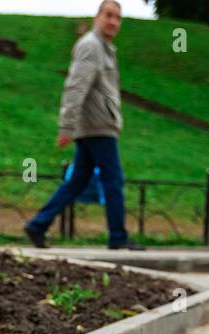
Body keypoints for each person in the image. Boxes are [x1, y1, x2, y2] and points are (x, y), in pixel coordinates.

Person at [24, 0, 143, 251]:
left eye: (118, 18)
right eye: (108, 15)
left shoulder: (105, 48)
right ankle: (118, 237)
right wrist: (66, 126)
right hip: (97, 126)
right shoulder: (91, 46)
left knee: (77, 182)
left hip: (96, 125)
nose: (113, 22)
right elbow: (76, 86)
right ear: (96, 16)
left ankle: (38, 224)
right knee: (113, 180)